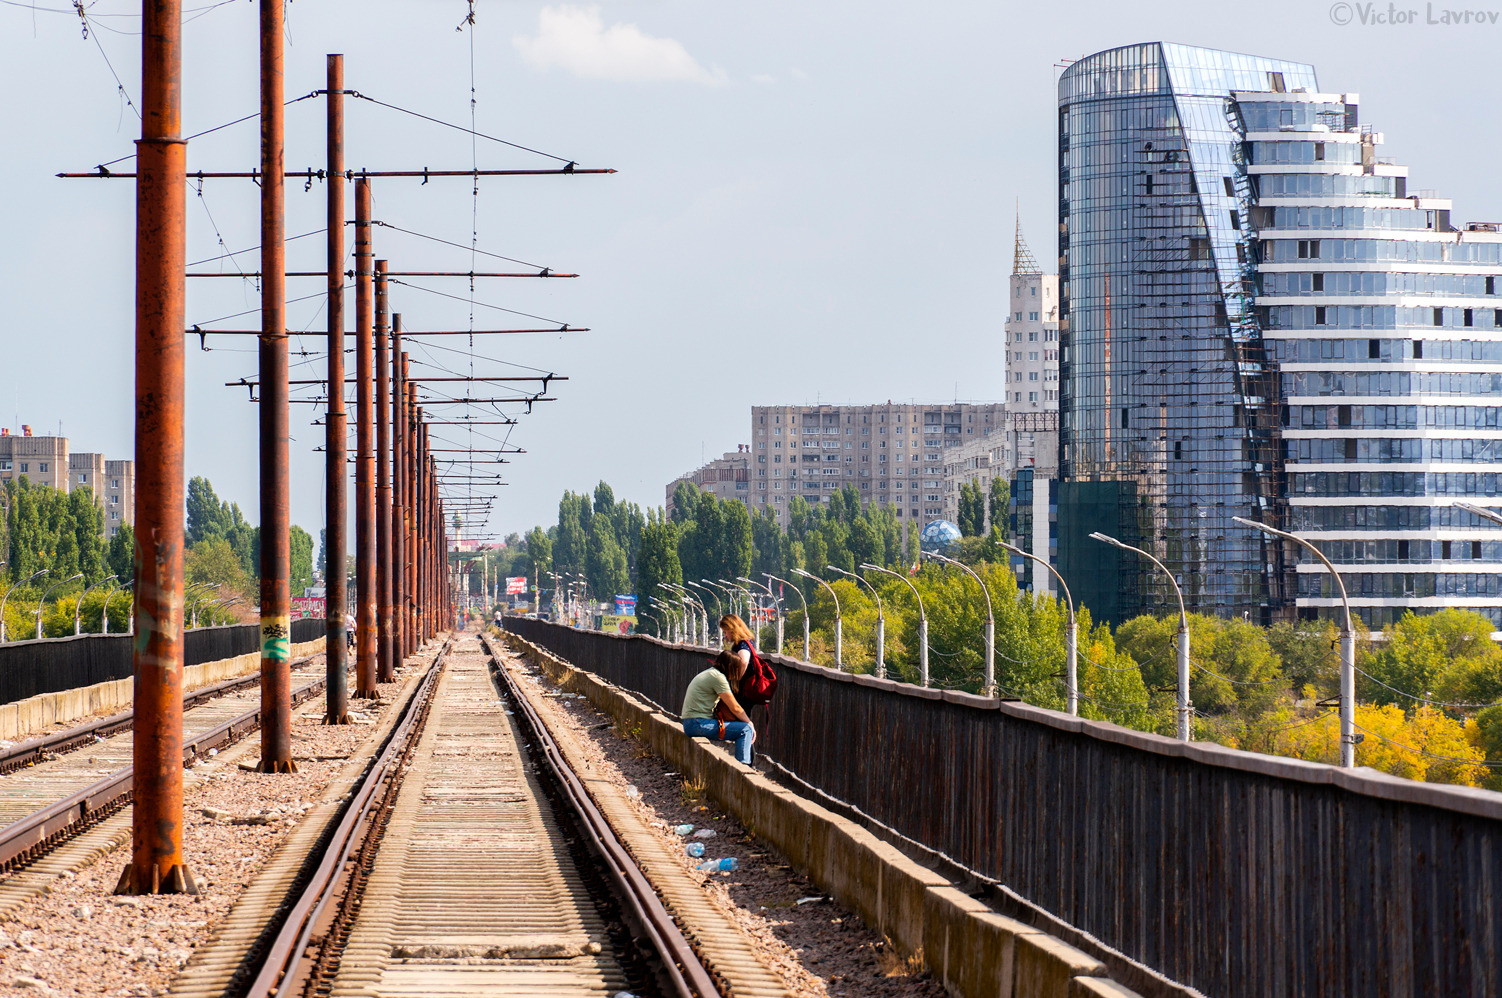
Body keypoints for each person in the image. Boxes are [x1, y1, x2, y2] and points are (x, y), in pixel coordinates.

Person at [679, 650, 754, 765]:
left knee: (743, 728)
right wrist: (750, 723)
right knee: (745, 730)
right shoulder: (718, 678)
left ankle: (743, 765)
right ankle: (743, 767)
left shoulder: (711, 673)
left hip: (692, 723)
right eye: (736, 668)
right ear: (730, 666)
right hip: (698, 723)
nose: (738, 672)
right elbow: (735, 708)